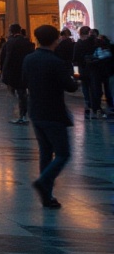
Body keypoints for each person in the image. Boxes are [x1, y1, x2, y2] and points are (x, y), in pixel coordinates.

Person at [23, 24, 78, 208]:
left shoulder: (29, 59)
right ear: (56, 39)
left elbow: (24, 81)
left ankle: (47, 196)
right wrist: (74, 79)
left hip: (36, 110)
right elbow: (70, 86)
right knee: (63, 153)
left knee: (45, 152)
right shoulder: (55, 62)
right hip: (53, 112)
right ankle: (44, 181)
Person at [0, 23, 33, 124]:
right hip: (25, 70)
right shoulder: (27, 42)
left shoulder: (10, 43)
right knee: (23, 92)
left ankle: (20, 114)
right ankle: (24, 114)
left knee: (17, 92)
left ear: (11, 31)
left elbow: (5, 58)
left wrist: (3, 72)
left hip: (13, 71)